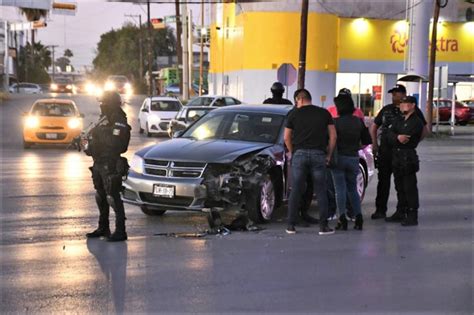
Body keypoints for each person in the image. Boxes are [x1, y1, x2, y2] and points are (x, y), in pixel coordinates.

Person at [370, 84, 427, 222]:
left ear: (404, 95)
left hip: (404, 154)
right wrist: (375, 144)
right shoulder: (387, 110)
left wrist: (413, 143)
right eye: (393, 93)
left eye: (397, 93)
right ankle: (381, 210)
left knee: (405, 184)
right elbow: (377, 127)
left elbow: (424, 129)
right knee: (384, 182)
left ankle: (405, 211)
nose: (394, 96)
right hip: (386, 151)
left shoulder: (414, 113)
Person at [284, 89, 336, 235]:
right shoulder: (324, 113)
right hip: (319, 155)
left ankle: (290, 225)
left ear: (299, 99)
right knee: (320, 190)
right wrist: (329, 154)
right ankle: (323, 227)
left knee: (296, 190)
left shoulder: (293, 114)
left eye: (296, 101)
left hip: (299, 154)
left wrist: (293, 152)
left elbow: (286, 137)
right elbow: (333, 136)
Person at [83, 91, 132, 242]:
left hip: (110, 162)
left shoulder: (119, 120)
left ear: (111, 104)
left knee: (113, 196)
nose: (101, 106)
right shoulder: (103, 119)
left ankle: (120, 230)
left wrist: (98, 133)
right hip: (98, 162)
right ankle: (103, 227)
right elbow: (96, 139)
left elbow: (116, 143)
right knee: (100, 195)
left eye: (104, 103)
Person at [329, 88, 371, 231]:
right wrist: (357, 148)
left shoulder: (335, 122)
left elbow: (330, 140)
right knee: (352, 189)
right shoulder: (358, 122)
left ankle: (342, 219)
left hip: (338, 158)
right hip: (353, 158)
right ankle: (358, 218)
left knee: (339, 189)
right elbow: (366, 141)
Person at [388, 96, 424, 226]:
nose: (402, 106)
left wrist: (397, 136)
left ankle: (412, 214)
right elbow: (389, 134)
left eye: (405, 103)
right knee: (399, 186)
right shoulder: (399, 119)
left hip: (408, 157)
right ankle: (400, 211)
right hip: (397, 156)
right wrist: (397, 136)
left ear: (413, 105)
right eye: (401, 104)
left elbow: (406, 137)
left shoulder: (416, 122)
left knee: (409, 187)